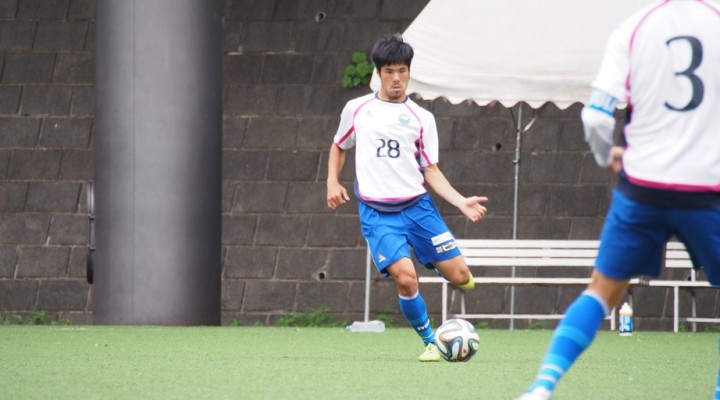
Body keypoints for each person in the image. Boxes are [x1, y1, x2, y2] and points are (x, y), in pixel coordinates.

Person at [518, 0, 720, 398]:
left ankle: (542, 387)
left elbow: (596, 116)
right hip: (707, 188)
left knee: (601, 291)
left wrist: (605, 155)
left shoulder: (633, 28)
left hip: (643, 185)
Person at [326, 33, 489, 361]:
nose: (396, 78)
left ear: (409, 72)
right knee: (406, 278)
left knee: (459, 276)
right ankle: (431, 342)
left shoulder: (422, 118)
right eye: (389, 71)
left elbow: (431, 169)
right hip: (377, 214)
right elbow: (339, 145)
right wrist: (332, 181)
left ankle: (451, 271)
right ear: (378, 73)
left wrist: (460, 201)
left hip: (418, 209)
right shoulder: (357, 109)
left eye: (402, 70)